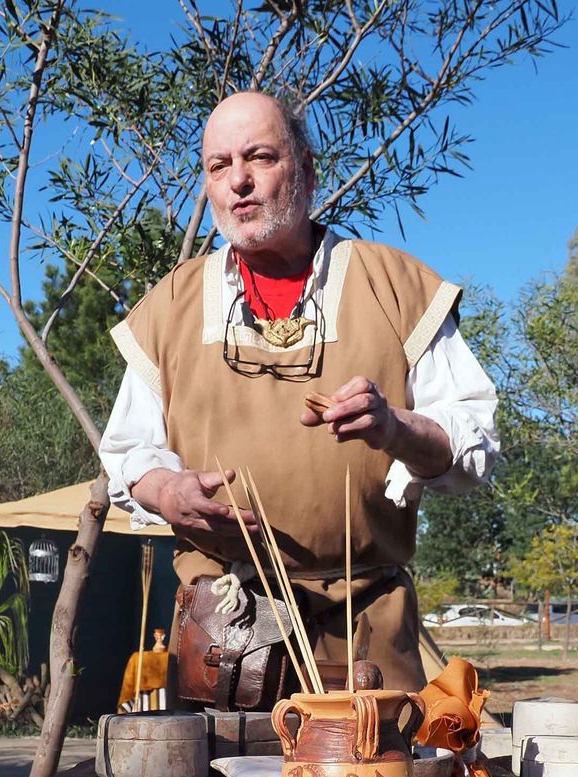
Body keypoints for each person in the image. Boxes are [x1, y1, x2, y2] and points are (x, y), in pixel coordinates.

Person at [98, 91, 498, 692]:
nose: (238, 181)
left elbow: (474, 447)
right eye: (218, 166)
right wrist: (167, 490)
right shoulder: (170, 307)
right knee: (223, 759)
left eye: (259, 157)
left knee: (376, 755)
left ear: (307, 171)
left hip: (367, 629)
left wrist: (395, 429)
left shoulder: (394, 287)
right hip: (226, 629)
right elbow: (128, 453)